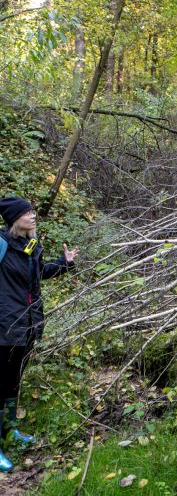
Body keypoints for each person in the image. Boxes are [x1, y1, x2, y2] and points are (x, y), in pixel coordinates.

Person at [0, 196, 79, 473]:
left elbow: (39, 274)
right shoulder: (1, 244)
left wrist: (65, 263)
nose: (33, 216)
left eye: (33, 211)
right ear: (14, 218)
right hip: (3, 325)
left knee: (12, 380)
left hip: (28, 324)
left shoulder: (31, 246)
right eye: (27, 212)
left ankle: (10, 432)